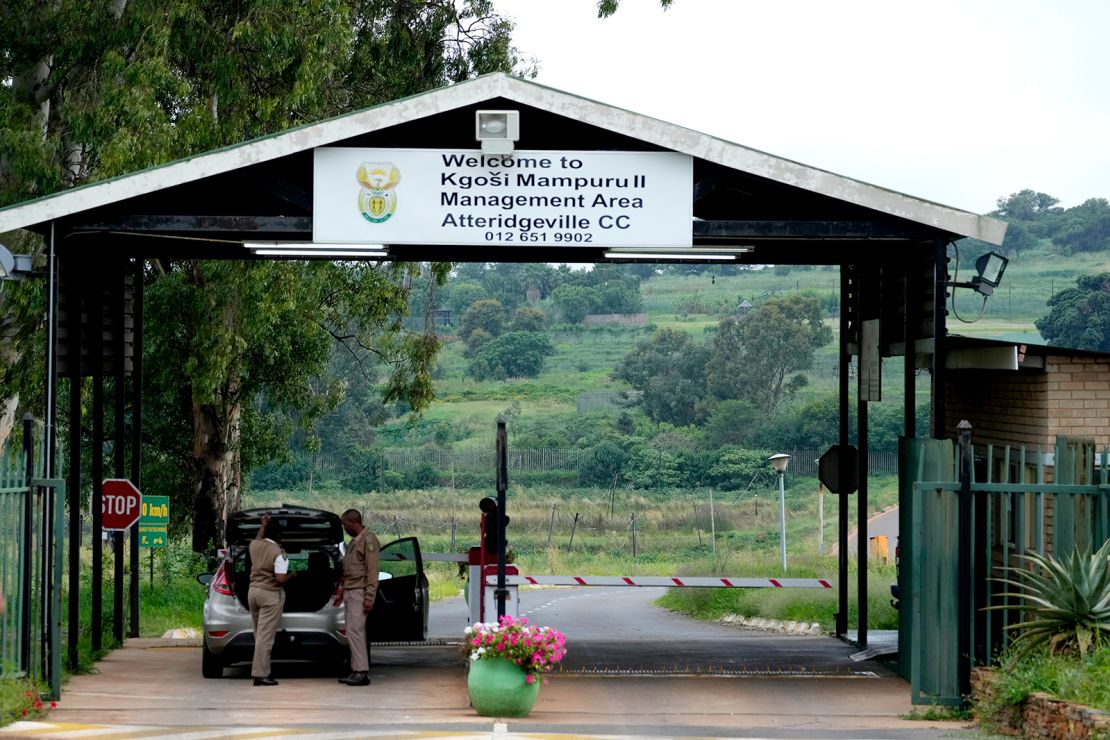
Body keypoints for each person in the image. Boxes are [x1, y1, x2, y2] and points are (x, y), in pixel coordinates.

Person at [336, 509, 380, 687]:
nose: (344, 528)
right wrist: (341, 590)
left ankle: (361, 672)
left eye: (345, 524)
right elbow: (348, 571)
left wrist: (369, 598)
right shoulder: (355, 542)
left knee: (356, 632)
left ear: (353, 522)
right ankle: (356, 669)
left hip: (359, 593)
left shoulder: (368, 541)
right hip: (350, 591)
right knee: (352, 632)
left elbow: (372, 572)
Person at [248, 514, 294, 686]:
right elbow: (280, 579)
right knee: (265, 638)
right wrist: (292, 575)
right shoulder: (279, 553)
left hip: (253, 593)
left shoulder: (254, 545)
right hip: (270, 595)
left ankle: (264, 671)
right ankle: (260, 674)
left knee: (259, 635)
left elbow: (259, 537)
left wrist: (262, 525)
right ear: (279, 537)